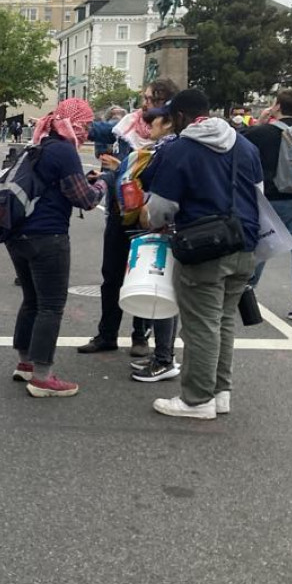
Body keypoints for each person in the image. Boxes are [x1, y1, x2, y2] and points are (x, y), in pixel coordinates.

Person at [144, 89, 262, 420]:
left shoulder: (181, 149)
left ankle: (197, 400)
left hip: (204, 248)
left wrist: (158, 223)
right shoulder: (245, 145)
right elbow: (259, 197)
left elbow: (160, 209)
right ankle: (220, 392)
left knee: (200, 325)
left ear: (181, 117)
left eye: (171, 118)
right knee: (223, 321)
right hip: (245, 243)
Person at [9, 98, 105, 397]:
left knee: (32, 301)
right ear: (74, 123)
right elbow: (85, 199)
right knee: (50, 305)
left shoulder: (36, 146)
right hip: (48, 237)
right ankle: (42, 377)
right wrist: (104, 184)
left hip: (16, 234)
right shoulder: (64, 150)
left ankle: (24, 363)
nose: (88, 130)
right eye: (86, 124)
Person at [79, 79, 179, 356]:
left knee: (146, 277)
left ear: (164, 105)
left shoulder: (170, 140)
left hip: (150, 216)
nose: (143, 104)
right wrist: (107, 175)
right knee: (111, 276)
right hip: (120, 213)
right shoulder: (127, 128)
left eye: (149, 99)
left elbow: (157, 176)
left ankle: (140, 335)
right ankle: (107, 334)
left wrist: (121, 166)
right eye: (144, 98)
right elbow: (120, 167)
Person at [114, 104, 182, 382]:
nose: (149, 126)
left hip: (167, 226)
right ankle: (164, 356)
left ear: (168, 123)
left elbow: (162, 195)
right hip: (183, 228)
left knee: (164, 294)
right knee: (167, 295)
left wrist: (147, 214)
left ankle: (165, 358)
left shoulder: (168, 150)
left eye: (154, 121)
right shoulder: (174, 147)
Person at [244, 88, 292, 321]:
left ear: (276, 106)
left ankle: (247, 290)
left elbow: (238, 140)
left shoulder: (263, 133)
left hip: (274, 198)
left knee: (262, 244)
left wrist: (263, 120)